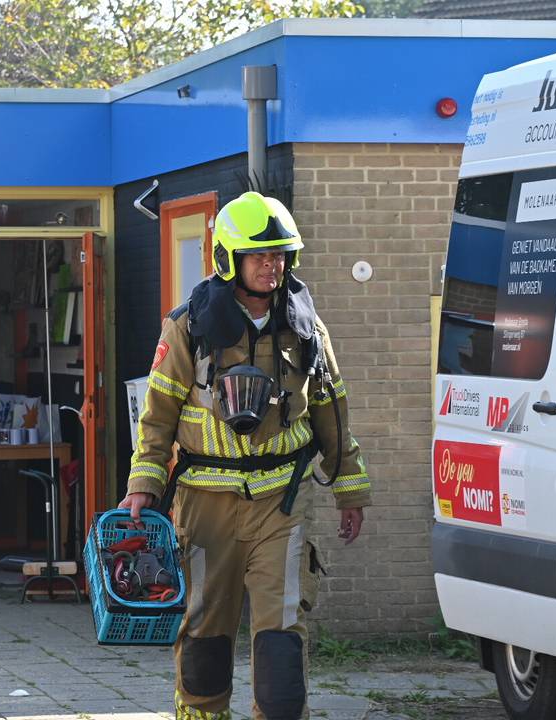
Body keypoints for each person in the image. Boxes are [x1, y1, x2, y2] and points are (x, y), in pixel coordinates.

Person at [121, 191, 370, 720]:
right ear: (227, 259)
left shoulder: (306, 329)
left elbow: (332, 411)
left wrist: (350, 488)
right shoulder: (188, 327)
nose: (271, 265)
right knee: (205, 629)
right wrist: (143, 485)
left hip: (282, 502)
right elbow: (158, 412)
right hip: (203, 502)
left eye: (280, 255)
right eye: (259, 255)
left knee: (282, 632)